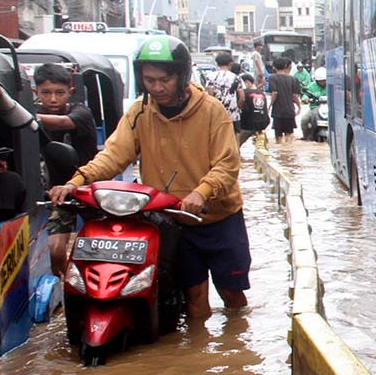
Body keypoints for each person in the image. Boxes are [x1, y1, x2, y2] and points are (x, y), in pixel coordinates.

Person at [49, 37, 251, 321]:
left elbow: (227, 164)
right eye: (149, 80)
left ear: (181, 76)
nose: (157, 87)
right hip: (170, 220)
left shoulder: (211, 111)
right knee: (194, 297)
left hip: (218, 218)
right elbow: (114, 155)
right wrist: (77, 181)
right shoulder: (139, 112)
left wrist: (202, 192)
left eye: (165, 79)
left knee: (232, 295)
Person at [34, 63, 99, 274]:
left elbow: (63, 122)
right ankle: (62, 289)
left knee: (101, 244)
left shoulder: (81, 112)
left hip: (89, 188)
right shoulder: (32, 115)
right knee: (54, 249)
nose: (53, 99)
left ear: (70, 92)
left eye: (59, 93)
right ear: (36, 93)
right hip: (57, 192)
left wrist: (28, 118)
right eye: (46, 93)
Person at [204, 52, 244, 137]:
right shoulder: (236, 78)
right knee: (234, 139)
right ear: (231, 63)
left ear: (217, 63)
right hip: (233, 115)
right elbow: (242, 98)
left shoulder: (210, 77)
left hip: (216, 114)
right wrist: (237, 109)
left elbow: (210, 96)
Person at [266, 56, 302, 144]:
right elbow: (294, 96)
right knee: (289, 134)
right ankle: (288, 153)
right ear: (286, 66)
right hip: (290, 111)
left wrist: (269, 106)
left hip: (278, 111)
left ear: (274, 67)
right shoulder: (293, 79)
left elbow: (274, 93)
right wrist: (299, 107)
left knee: (278, 136)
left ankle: (280, 155)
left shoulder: (272, 78)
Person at [238, 72, 270, 143]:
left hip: (248, 125)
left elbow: (244, 110)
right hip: (263, 123)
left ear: (246, 82)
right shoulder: (261, 93)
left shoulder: (244, 93)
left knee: (235, 145)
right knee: (262, 148)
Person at [299, 67, 327, 141]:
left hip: (329, 109)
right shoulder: (312, 86)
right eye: (320, 81)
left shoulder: (331, 86)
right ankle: (305, 137)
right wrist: (305, 99)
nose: (322, 83)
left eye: (324, 81)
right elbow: (305, 94)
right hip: (314, 108)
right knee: (304, 120)